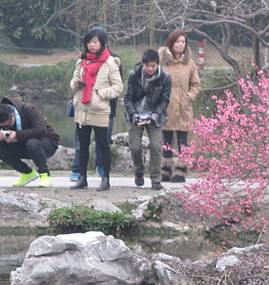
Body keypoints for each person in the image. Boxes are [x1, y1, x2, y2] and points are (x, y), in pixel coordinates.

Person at [69, 26, 124, 191]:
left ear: (102, 43)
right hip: (82, 108)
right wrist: (76, 84)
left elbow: (118, 87)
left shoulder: (110, 62)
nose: (91, 45)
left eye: (95, 42)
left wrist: (100, 94)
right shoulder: (82, 61)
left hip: (99, 110)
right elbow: (72, 82)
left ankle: (105, 179)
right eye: (89, 42)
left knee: (102, 145)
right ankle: (82, 178)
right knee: (83, 146)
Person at [124, 49, 172, 190]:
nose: (151, 69)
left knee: (156, 146)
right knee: (135, 146)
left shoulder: (165, 77)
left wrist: (155, 115)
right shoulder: (134, 75)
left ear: (157, 64)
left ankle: (156, 179)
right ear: (143, 64)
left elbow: (165, 100)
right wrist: (134, 114)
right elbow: (127, 99)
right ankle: (139, 171)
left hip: (155, 114)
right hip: (136, 114)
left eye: (153, 66)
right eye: (148, 66)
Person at [158, 29, 201, 183]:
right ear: (171, 43)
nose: (180, 44)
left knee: (183, 140)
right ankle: (165, 170)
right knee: (166, 140)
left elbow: (196, 85)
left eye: (183, 42)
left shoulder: (189, 63)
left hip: (183, 106)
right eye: (177, 41)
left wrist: (189, 97)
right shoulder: (162, 62)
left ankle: (181, 171)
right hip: (166, 106)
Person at [0, 97, 59, 187]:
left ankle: (45, 174)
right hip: (23, 143)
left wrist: (17, 135)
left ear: (12, 115)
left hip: (46, 142)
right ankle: (27, 173)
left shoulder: (28, 109)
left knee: (32, 143)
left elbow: (41, 130)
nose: (7, 127)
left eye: (8, 124)